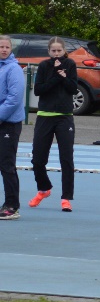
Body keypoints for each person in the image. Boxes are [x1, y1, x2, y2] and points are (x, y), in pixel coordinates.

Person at [28, 37, 79, 212]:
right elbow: (39, 90)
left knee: (66, 158)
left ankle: (66, 198)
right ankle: (44, 189)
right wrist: (57, 77)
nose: (56, 54)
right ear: (49, 51)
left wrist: (64, 76)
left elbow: (73, 88)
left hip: (64, 117)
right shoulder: (43, 66)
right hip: (45, 116)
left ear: (64, 50)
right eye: (53, 51)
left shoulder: (70, 64)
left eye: (59, 51)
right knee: (37, 159)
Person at [0, 36, 27, 220]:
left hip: (9, 124)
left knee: (6, 164)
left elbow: (14, 99)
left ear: (11, 49)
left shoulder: (13, 69)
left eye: (6, 47)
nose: (3, 49)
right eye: (1, 46)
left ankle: (12, 205)